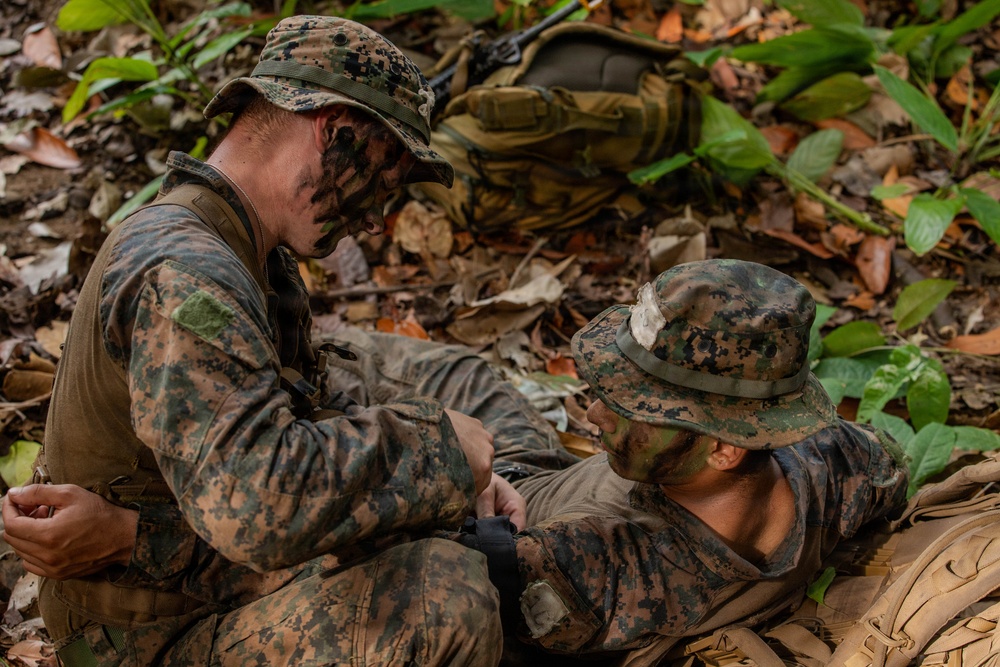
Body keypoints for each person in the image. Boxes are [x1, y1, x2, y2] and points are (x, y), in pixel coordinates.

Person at [6, 255, 910, 664]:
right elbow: (886, 463)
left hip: (504, 525)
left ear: (721, 445)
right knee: (456, 371)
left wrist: (132, 535)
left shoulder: (608, 573)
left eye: (632, 406)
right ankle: (298, 347)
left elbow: (327, 558)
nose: (593, 402)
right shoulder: (834, 461)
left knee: (375, 443)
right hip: (537, 475)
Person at [0, 15, 547, 667]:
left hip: (184, 583)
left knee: (466, 539)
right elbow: (258, 510)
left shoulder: (250, 252)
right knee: (438, 602)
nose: (376, 218)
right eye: (384, 174)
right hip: (144, 634)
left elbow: (289, 444)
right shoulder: (188, 274)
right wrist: (438, 450)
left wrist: (450, 488)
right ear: (332, 127)